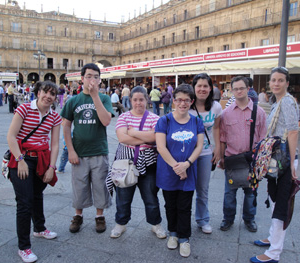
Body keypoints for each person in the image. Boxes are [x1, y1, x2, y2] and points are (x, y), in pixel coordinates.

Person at [6, 81, 61, 263]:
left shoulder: (54, 116)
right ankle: (24, 247)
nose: (48, 96)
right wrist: (20, 160)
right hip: (21, 158)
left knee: (37, 195)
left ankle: (39, 228)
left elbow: (54, 144)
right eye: (45, 92)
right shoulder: (23, 109)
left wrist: (52, 168)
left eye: (52, 94)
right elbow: (11, 136)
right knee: (25, 202)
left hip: (42, 160)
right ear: (38, 93)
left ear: (55, 98)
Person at [250, 67, 299, 263]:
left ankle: (274, 253)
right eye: (273, 80)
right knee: (274, 201)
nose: (276, 83)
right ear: (269, 83)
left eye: (281, 80)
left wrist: (293, 163)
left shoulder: (286, 101)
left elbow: (293, 131)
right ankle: (272, 238)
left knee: (281, 206)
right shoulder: (278, 101)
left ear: (287, 83)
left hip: (285, 160)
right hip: (278, 159)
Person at [61, 63, 114, 234]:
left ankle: (99, 216)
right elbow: (66, 126)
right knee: (79, 185)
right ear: (82, 79)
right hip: (79, 152)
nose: (92, 79)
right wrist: (70, 150)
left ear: (100, 80)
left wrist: (95, 96)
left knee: (100, 185)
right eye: (89, 76)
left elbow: (106, 121)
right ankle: (78, 215)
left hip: (99, 150)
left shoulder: (104, 98)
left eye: (96, 77)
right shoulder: (73, 101)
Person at [109, 86, 166, 239]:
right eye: (135, 100)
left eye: (141, 99)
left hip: (149, 164)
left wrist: (133, 132)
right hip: (126, 163)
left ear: (147, 100)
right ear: (131, 100)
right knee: (123, 196)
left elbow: (156, 137)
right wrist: (145, 137)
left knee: (151, 197)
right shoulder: (124, 117)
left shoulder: (155, 118)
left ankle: (156, 224)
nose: (138, 103)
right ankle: (120, 224)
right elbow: (122, 138)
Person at [155, 84, 204, 258]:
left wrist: (187, 165)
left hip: (188, 171)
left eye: (186, 100)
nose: (182, 103)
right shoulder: (164, 121)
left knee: (184, 206)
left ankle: (184, 238)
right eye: (179, 99)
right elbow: (161, 147)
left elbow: (199, 146)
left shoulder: (197, 121)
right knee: (170, 205)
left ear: (191, 102)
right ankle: (173, 233)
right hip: (168, 171)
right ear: (173, 100)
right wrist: (178, 167)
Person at [219, 76, 267, 233]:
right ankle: (228, 219)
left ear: (248, 89)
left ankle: (249, 219)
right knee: (229, 193)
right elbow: (222, 137)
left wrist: (260, 160)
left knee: (251, 193)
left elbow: (263, 138)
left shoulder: (258, 112)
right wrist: (221, 157)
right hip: (232, 160)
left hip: (251, 161)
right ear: (232, 91)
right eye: (236, 89)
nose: (239, 91)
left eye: (242, 88)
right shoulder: (226, 113)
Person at [189, 73, 222, 234]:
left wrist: (217, 148)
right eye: (199, 86)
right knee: (185, 189)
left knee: (203, 189)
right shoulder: (186, 104)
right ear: (194, 88)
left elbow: (216, 128)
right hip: (187, 154)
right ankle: (182, 219)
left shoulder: (216, 107)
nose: (202, 89)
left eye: (205, 86)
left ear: (210, 88)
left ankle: (203, 219)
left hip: (206, 153)